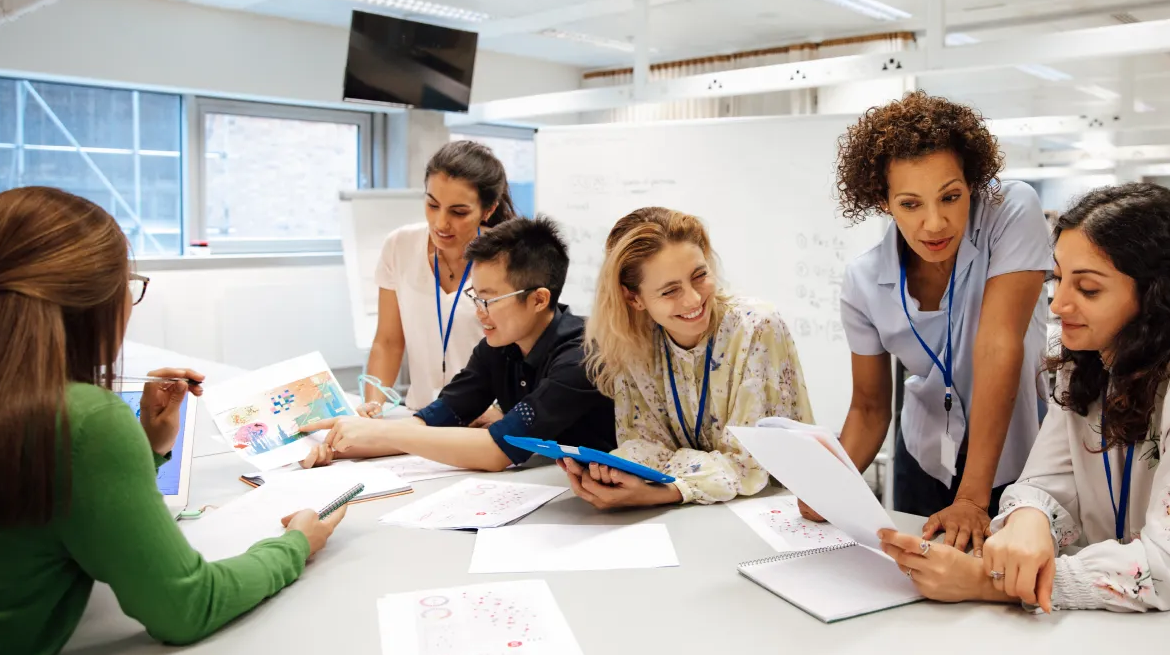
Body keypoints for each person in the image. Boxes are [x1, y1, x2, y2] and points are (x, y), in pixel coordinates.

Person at [0, 187, 345, 655]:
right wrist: (295, 546)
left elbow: (38, 514)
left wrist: (148, 444)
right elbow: (185, 607)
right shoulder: (80, 420)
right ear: (90, 302)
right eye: (129, 286)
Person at [876, 183, 1170, 611]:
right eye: (1057, 279)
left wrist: (988, 580)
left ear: (1155, 294)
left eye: (1088, 288)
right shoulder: (1089, 359)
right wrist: (1028, 518)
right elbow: (1045, 482)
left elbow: (1166, 568)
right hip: (1143, 617)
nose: (1059, 305)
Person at [826, 93, 1052, 550]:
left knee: (1001, 591)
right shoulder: (864, 280)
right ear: (882, 201)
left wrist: (972, 497)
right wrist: (829, 489)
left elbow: (998, 345)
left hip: (1017, 452)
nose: (934, 223)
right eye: (910, 204)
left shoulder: (1010, 212)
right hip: (925, 456)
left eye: (950, 196)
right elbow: (869, 409)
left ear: (972, 181)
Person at [300, 216, 614, 471]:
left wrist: (379, 431)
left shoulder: (581, 356)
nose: (479, 312)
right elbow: (429, 423)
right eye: (474, 296)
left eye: (488, 299)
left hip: (617, 508)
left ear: (538, 299)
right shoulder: (499, 346)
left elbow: (497, 450)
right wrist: (339, 445)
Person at [563, 207, 814, 509]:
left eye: (699, 276)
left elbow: (748, 464)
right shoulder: (634, 342)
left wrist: (660, 490)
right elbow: (645, 446)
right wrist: (612, 471)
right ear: (634, 298)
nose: (693, 299)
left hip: (773, 513)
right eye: (670, 291)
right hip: (685, 513)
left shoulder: (755, 327)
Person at [361, 140, 516, 417]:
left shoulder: (509, 259)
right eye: (433, 205)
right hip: (419, 415)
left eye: (458, 212)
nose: (441, 223)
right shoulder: (399, 246)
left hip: (483, 420)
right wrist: (373, 406)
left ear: (488, 209)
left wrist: (502, 412)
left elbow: (522, 353)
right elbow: (388, 341)